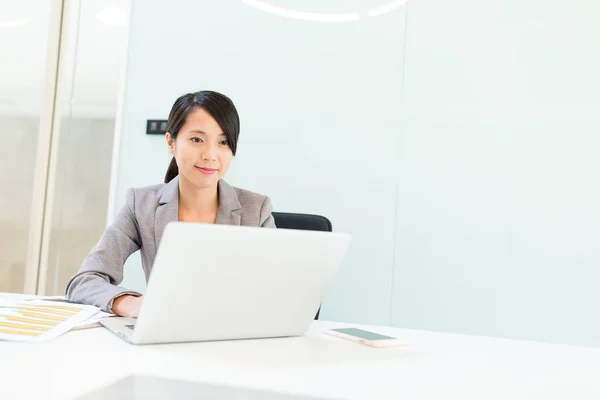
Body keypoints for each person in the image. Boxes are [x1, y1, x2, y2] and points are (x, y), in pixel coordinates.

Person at [65, 90, 276, 317]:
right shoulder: (141, 204)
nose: (210, 154)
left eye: (223, 142)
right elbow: (84, 281)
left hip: (235, 335)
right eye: (197, 139)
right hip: (165, 334)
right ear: (171, 143)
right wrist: (130, 303)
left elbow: (278, 288)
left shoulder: (257, 209)